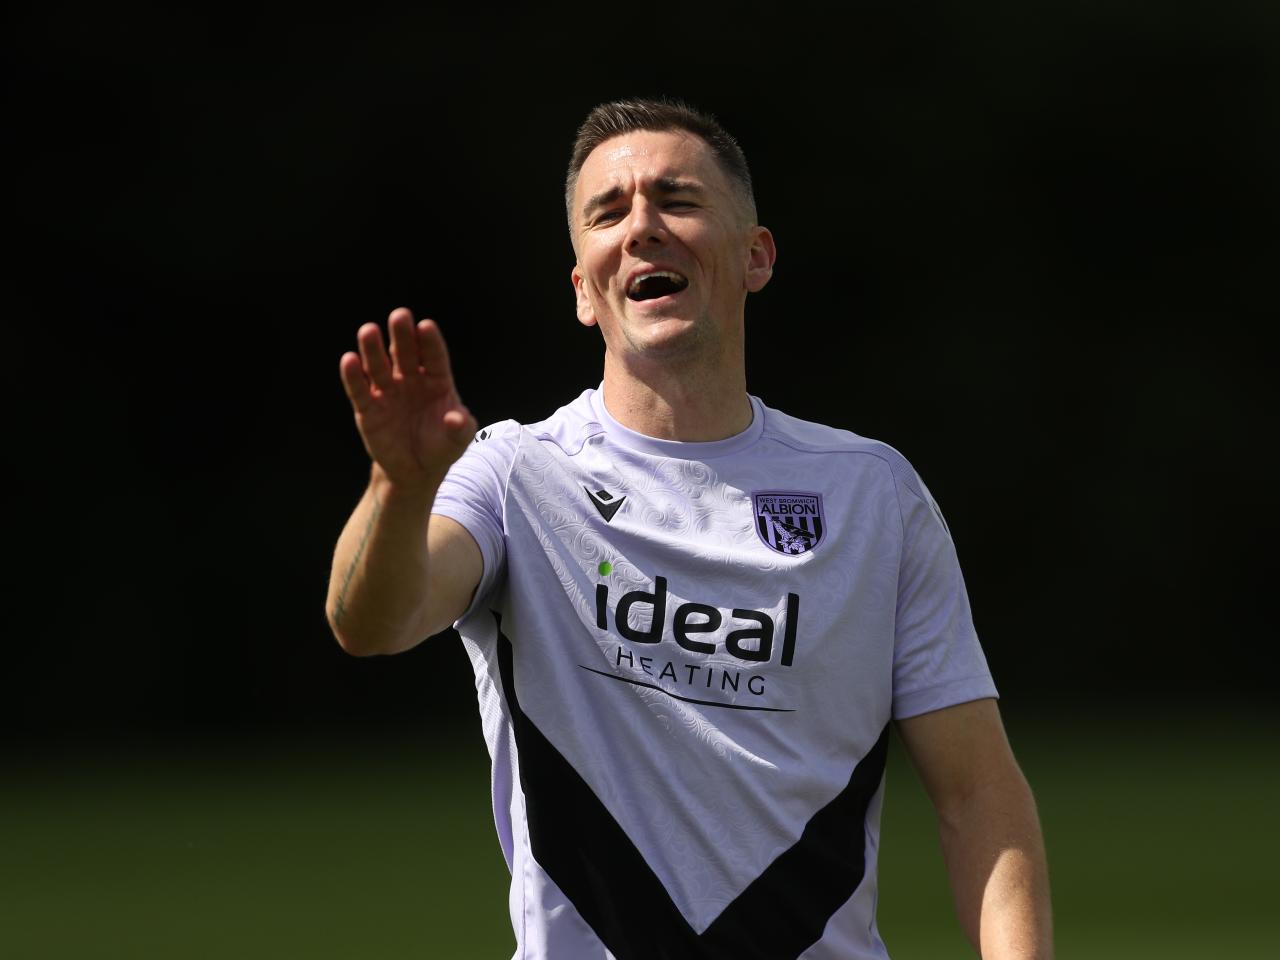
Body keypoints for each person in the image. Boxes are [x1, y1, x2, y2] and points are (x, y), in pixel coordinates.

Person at [327, 98, 1053, 959]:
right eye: (609, 211)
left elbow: (980, 798)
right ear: (582, 292)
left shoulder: (874, 495)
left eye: (677, 199)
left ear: (756, 258)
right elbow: (371, 622)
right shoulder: (517, 474)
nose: (641, 227)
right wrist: (398, 489)